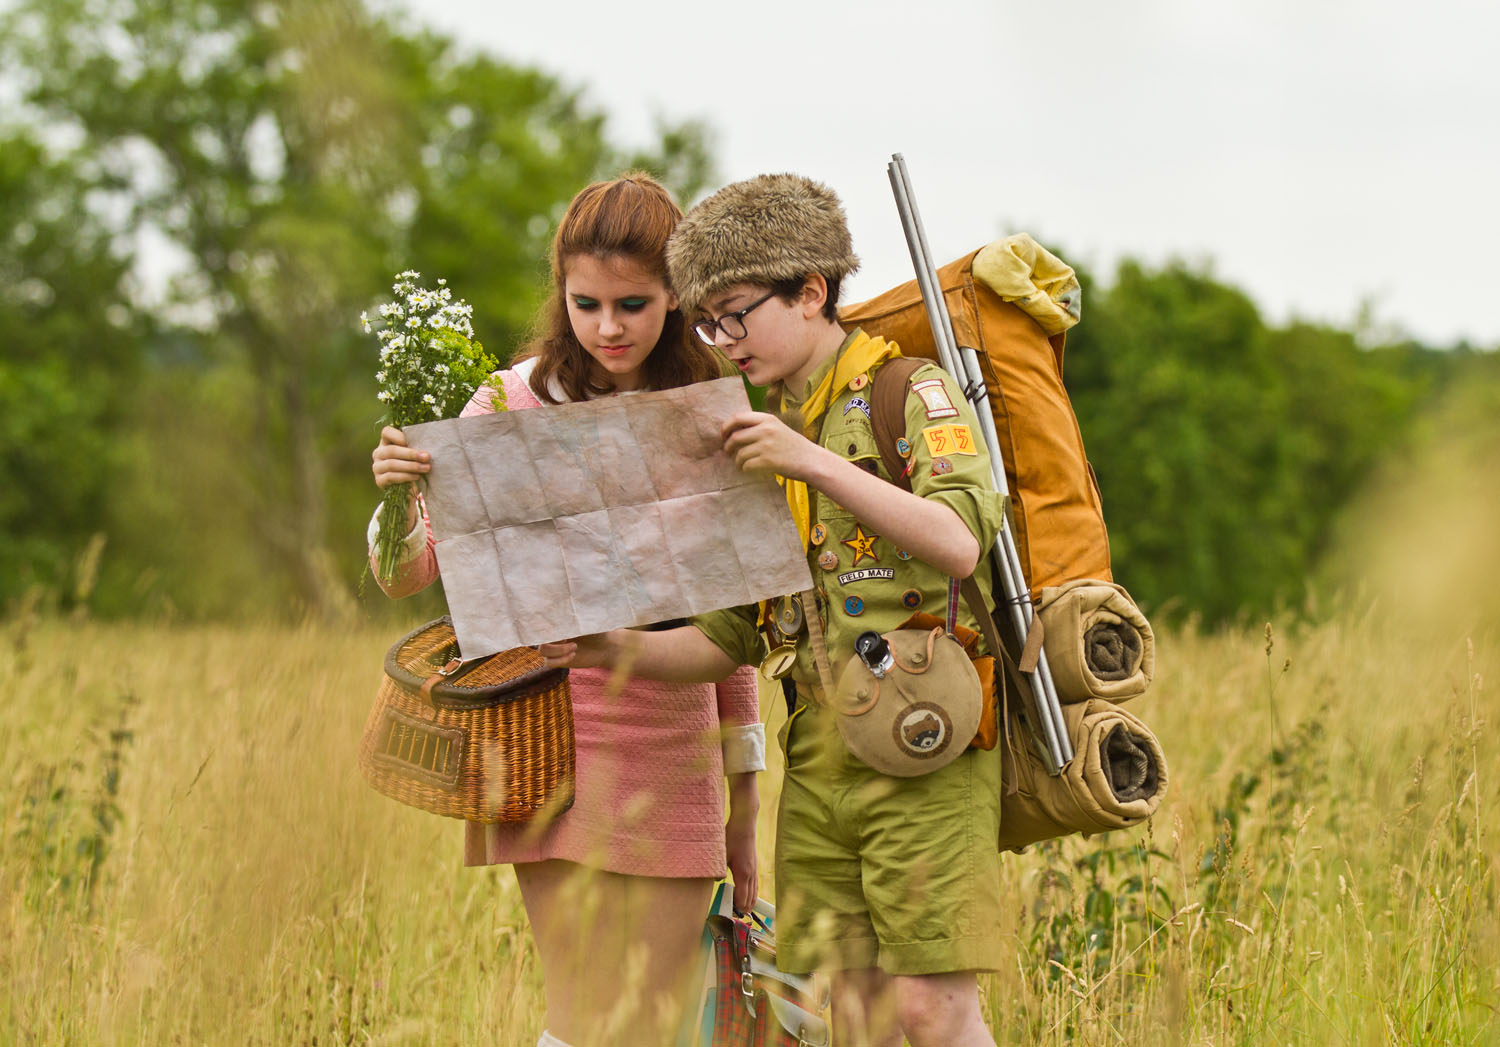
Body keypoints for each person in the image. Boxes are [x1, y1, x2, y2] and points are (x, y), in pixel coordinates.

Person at [540, 173, 1009, 1047]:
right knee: (847, 1016)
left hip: (926, 739)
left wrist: (814, 463)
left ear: (810, 291)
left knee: (929, 1010)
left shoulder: (907, 390)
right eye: (708, 320)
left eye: (735, 314)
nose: (721, 340)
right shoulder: (758, 431)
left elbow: (958, 540)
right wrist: (603, 647)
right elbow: (727, 641)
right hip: (821, 760)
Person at [367, 173, 765, 1047]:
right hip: (542, 734)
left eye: (634, 302)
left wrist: (745, 806)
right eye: (586, 303)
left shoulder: (712, 421)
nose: (609, 327)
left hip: (671, 738)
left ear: (677, 297)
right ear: (561, 292)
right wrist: (396, 499)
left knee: (654, 1019)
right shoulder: (508, 401)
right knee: (584, 1013)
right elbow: (411, 573)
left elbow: (736, 638)